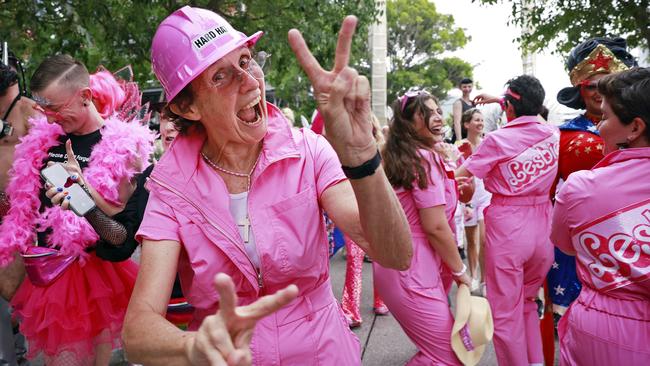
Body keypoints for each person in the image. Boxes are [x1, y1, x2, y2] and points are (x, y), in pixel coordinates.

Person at [122, 7, 412, 365]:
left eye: (247, 60)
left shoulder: (307, 149)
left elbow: (397, 255)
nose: (249, 81)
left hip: (325, 353)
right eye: (221, 76)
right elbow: (137, 329)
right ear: (187, 106)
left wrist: (364, 157)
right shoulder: (171, 189)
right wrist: (192, 347)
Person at [0, 54, 154, 365]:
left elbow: (123, 239)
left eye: (56, 108)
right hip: (45, 280)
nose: (50, 117)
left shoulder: (124, 149)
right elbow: (25, 204)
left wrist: (83, 198)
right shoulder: (44, 141)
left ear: (85, 96)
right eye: (44, 109)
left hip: (95, 281)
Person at [551, 67, 650, 365]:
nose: (599, 127)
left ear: (634, 128)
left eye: (605, 118)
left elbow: (565, 244)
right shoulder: (568, 134)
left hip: (604, 329)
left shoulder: (581, 185)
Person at [457, 75, 557, 366]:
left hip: (509, 231)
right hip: (542, 230)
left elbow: (463, 174)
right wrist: (500, 100)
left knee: (504, 315)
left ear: (509, 108)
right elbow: (527, 109)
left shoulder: (497, 140)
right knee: (528, 305)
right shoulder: (553, 134)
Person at [376, 90, 471, 365]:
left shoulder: (415, 156)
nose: (437, 117)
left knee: (444, 351)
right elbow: (435, 227)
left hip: (415, 265)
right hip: (412, 268)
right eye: (426, 113)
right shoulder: (422, 159)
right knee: (450, 356)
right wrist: (461, 272)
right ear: (409, 124)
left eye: (437, 111)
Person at [548, 37, 637, 322]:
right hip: (583, 244)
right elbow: (548, 196)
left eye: (607, 83)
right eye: (591, 86)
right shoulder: (562, 137)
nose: (600, 92)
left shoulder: (642, 130)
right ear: (579, 90)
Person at [458, 108, 491, 295]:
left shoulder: (488, 143)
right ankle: (473, 276)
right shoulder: (459, 146)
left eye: (481, 120)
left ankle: (485, 280)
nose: (480, 123)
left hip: (485, 193)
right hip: (468, 195)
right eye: (476, 120)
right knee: (470, 239)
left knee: (484, 239)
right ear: (466, 124)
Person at [451, 78, 475, 143]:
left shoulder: (473, 103)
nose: (467, 89)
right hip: (461, 136)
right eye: (464, 87)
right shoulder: (458, 103)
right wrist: (459, 141)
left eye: (469, 86)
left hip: (470, 136)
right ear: (460, 88)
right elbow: (457, 123)